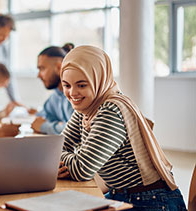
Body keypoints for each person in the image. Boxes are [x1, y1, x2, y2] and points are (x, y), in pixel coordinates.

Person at [58, 46, 186, 210]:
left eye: (82, 85)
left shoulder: (110, 110)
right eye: (67, 85)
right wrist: (60, 159)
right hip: (121, 194)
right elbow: (58, 147)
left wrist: (58, 161)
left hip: (149, 200)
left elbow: (82, 169)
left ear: (99, 79)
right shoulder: (86, 109)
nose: (73, 93)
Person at [31, 45, 74, 135]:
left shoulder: (77, 96)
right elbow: (42, 117)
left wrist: (44, 127)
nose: (38, 75)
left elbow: (76, 129)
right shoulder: (55, 96)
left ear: (59, 67)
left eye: (42, 68)